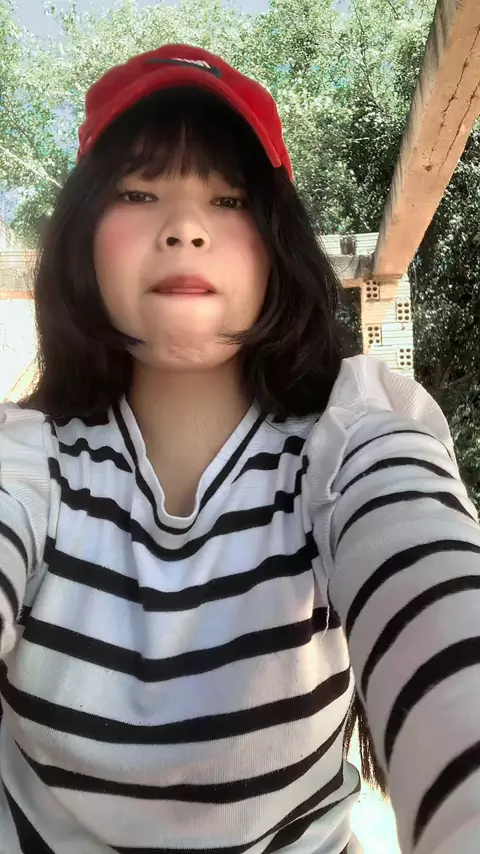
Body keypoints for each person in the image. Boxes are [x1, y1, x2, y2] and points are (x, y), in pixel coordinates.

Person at [0, 43, 479, 854]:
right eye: (138, 191)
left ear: (277, 244)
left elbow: (436, 592)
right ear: (82, 235)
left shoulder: (352, 442)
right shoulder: (25, 459)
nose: (185, 229)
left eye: (229, 200)